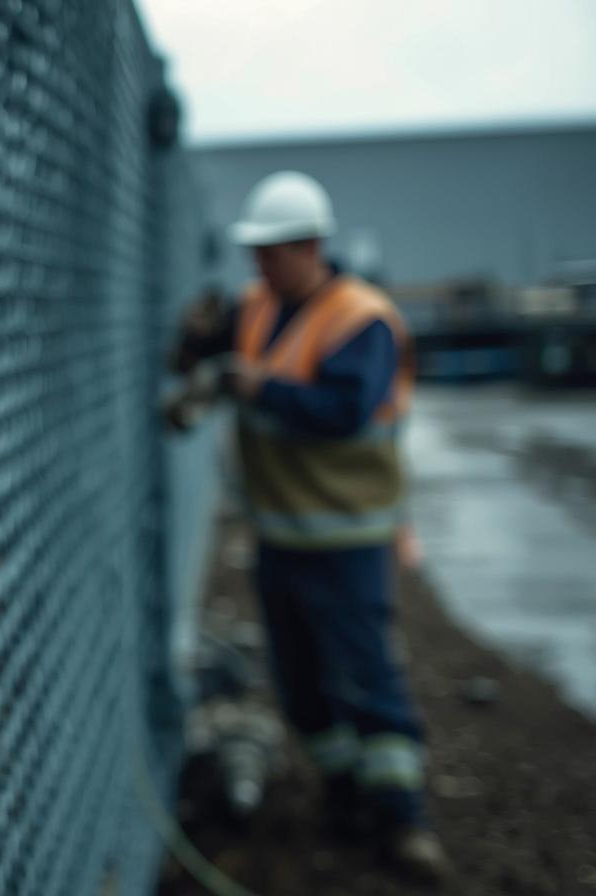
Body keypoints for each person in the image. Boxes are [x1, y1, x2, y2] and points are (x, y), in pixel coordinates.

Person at [172, 171, 450, 882]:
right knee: (299, 681)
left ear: (310, 247)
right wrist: (196, 346)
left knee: (367, 670)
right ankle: (345, 791)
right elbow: (205, 351)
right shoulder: (255, 307)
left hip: (348, 536)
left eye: (272, 253)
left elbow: (344, 412)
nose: (260, 266)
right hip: (281, 535)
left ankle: (403, 819)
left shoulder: (362, 320)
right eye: (256, 254)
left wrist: (259, 386)